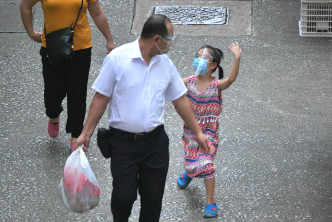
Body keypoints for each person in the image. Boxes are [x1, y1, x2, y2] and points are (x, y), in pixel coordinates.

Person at [73, 14, 209, 222]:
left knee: (153, 200)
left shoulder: (165, 63)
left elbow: (180, 99)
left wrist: (198, 132)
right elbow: (101, 98)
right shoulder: (117, 59)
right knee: (124, 196)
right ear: (157, 39)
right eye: (170, 39)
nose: (171, 44)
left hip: (155, 143)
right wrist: (85, 133)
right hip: (122, 143)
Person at [20, 0, 115, 151]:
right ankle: (54, 114)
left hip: (81, 47)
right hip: (53, 46)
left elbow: (97, 13)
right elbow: (25, 6)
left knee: (77, 92)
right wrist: (31, 33)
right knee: (53, 93)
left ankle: (76, 134)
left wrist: (109, 39)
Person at [177, 43, 241, 218]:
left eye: (204, 58)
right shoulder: (187, 82)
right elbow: (170, 84)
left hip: (209, 134)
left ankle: (210, 202)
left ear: (213, 65)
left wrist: (237, 58)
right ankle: (189, 173)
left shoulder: (216, 85)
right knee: (192, 164)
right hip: (190, 133)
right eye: (197, 56)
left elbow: (231, 79)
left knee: (207, 165)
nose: (199, 60)